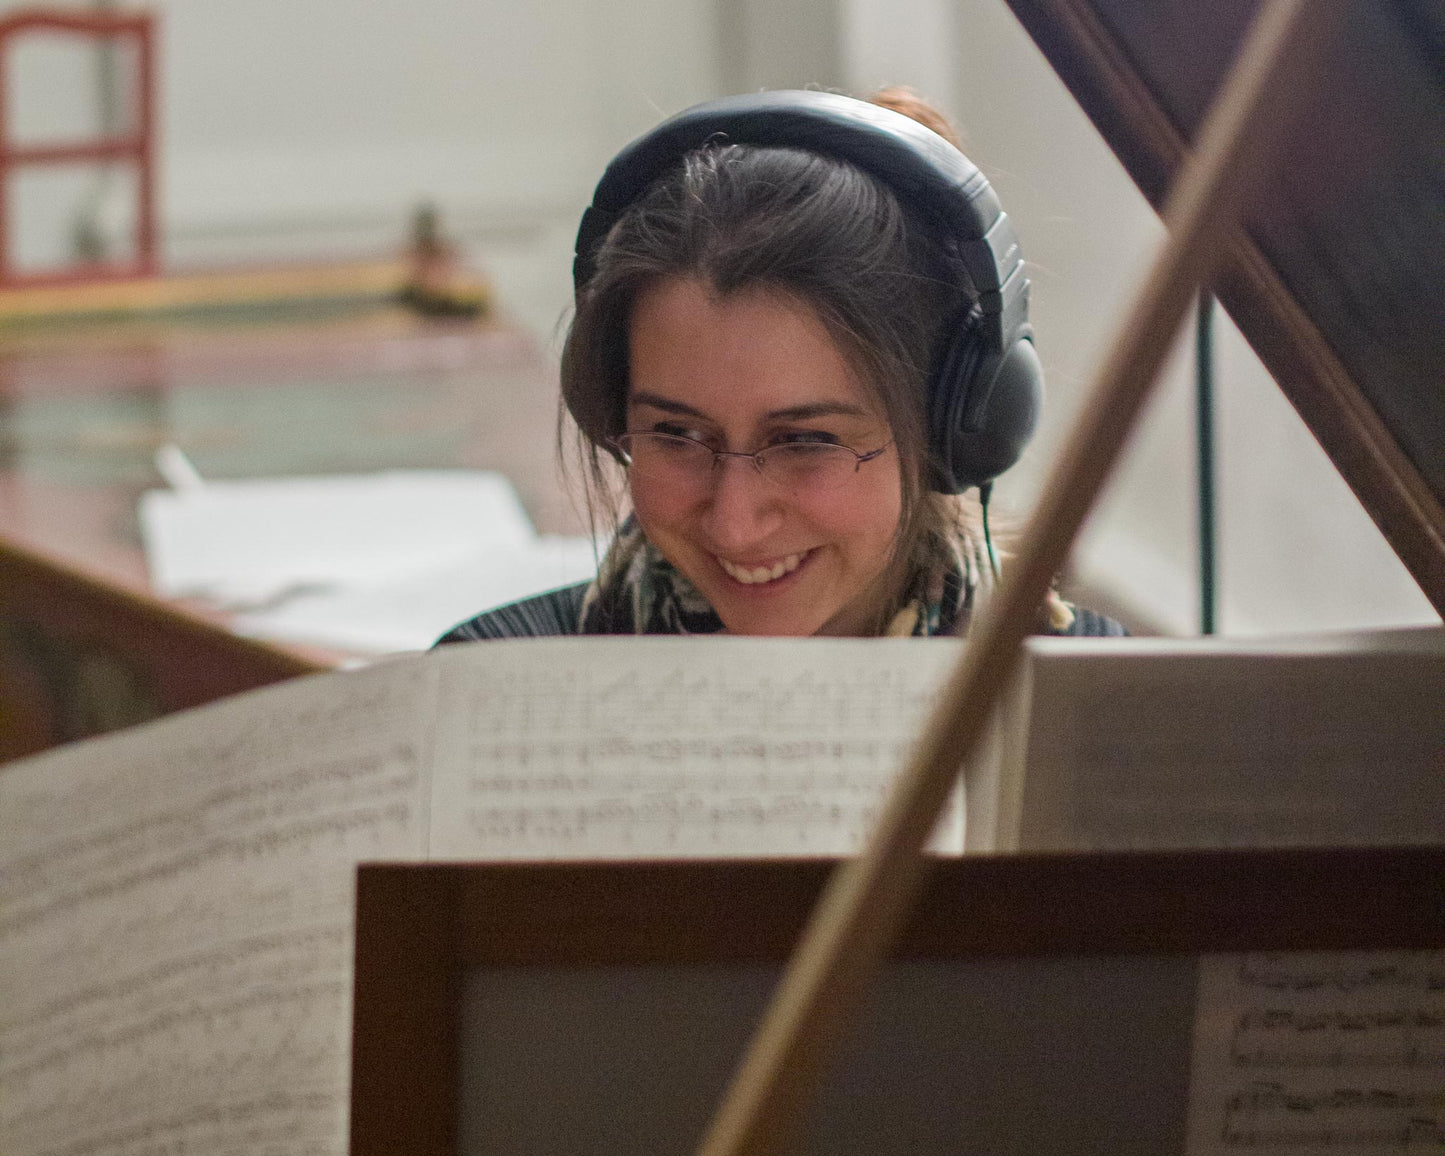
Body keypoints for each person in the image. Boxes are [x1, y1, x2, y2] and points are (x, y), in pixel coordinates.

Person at [439, 88, 1123, 643]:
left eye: (805, 441)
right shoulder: (483, 684)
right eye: (675, 434)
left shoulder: (1095, 714)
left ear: (952, 426)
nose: (733, 525)